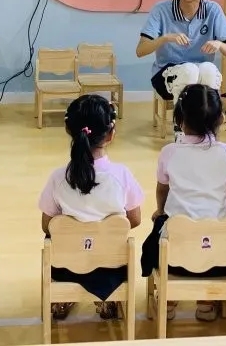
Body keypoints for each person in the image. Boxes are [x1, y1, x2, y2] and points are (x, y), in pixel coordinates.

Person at [38, 94, 143, 322]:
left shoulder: (58, 177)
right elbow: (134, 219)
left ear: (68, 130)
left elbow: (47, 225)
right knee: (119, 243)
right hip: (111, 267)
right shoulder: (121, 175)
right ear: (111, 133)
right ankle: (107, 297)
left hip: (66, 266)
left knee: (55, 240)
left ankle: (62, 295)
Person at [140, 84, 226, 322]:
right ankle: (206, 302)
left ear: (180, 119)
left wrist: (160, 211)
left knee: (162, 228)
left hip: (176, 253)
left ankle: (169, 301)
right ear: (219, 119)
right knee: (218, 232)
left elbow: (162, 190)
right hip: (218, 254)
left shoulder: (170, 152)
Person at [136, 0, 226, 102]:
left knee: (208, 69)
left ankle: (207, 115)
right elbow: (140, 51)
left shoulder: (213, 10)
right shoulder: (161, 9)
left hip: (200, 72)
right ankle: (184, 116)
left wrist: (219, 44)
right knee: (189, 70)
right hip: (165, 75)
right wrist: (165, 38)